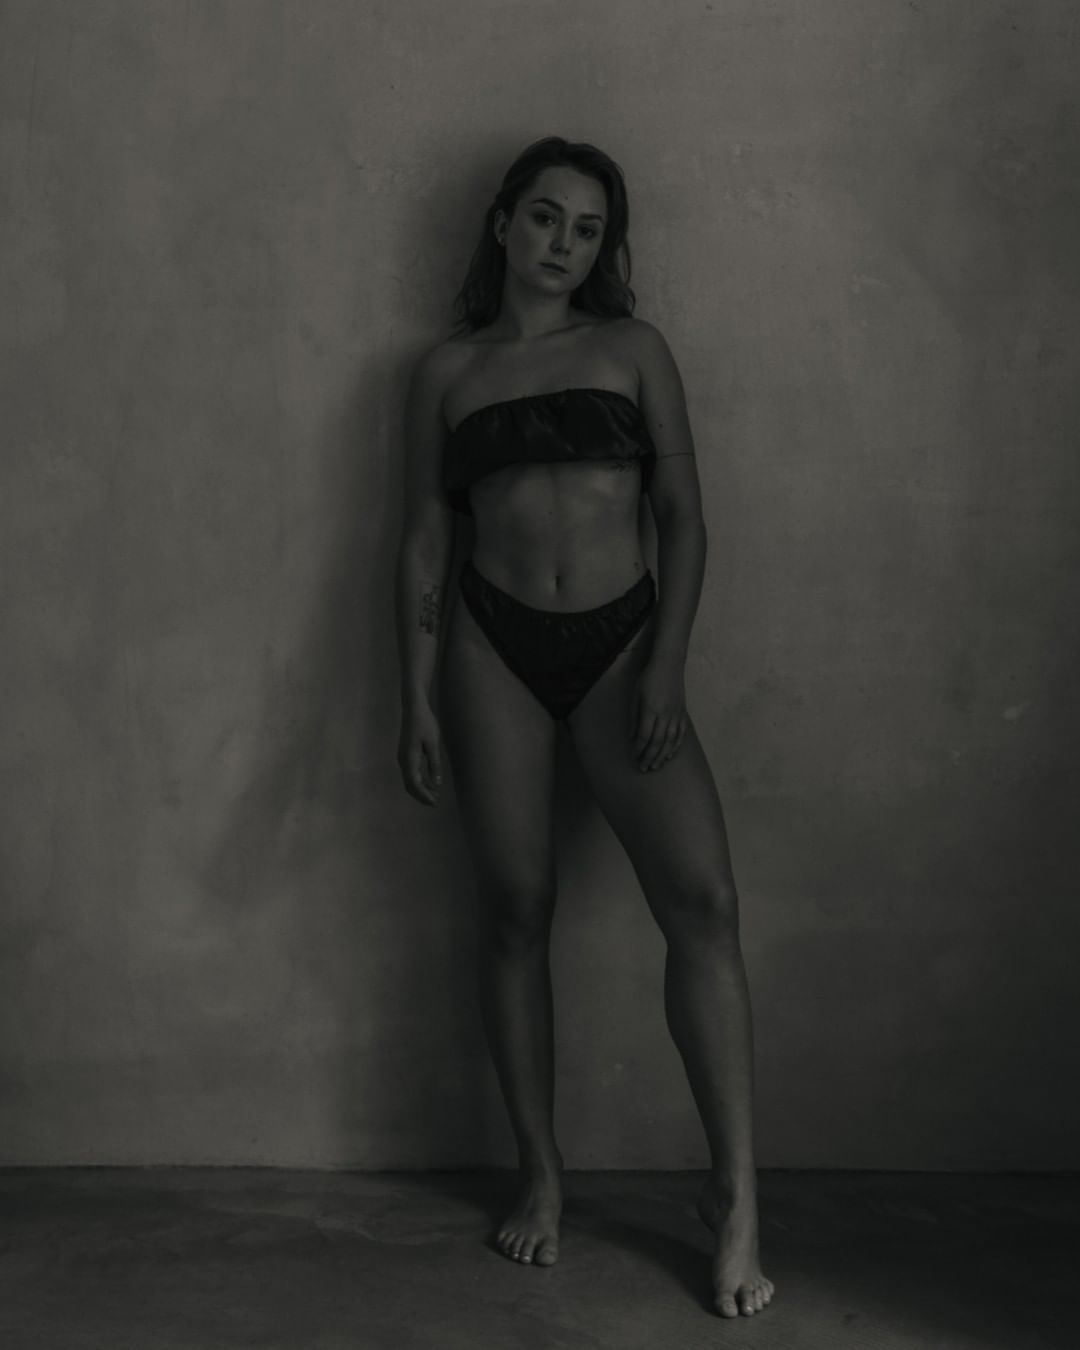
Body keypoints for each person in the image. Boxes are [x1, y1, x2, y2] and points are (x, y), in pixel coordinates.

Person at [394, 135, 774, 1320]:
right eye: (547, 217)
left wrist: (666, 664)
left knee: (704, 902)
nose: (564, 243)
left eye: (589, 229)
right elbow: (425, 537)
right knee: (515, 907)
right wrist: (414, 691)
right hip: (489, 649)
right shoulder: (444, 373)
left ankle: (736, 1197)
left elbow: (685, 519)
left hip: (621, 646)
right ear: (504, 222)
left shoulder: (634, 349)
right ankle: (542, 1175)